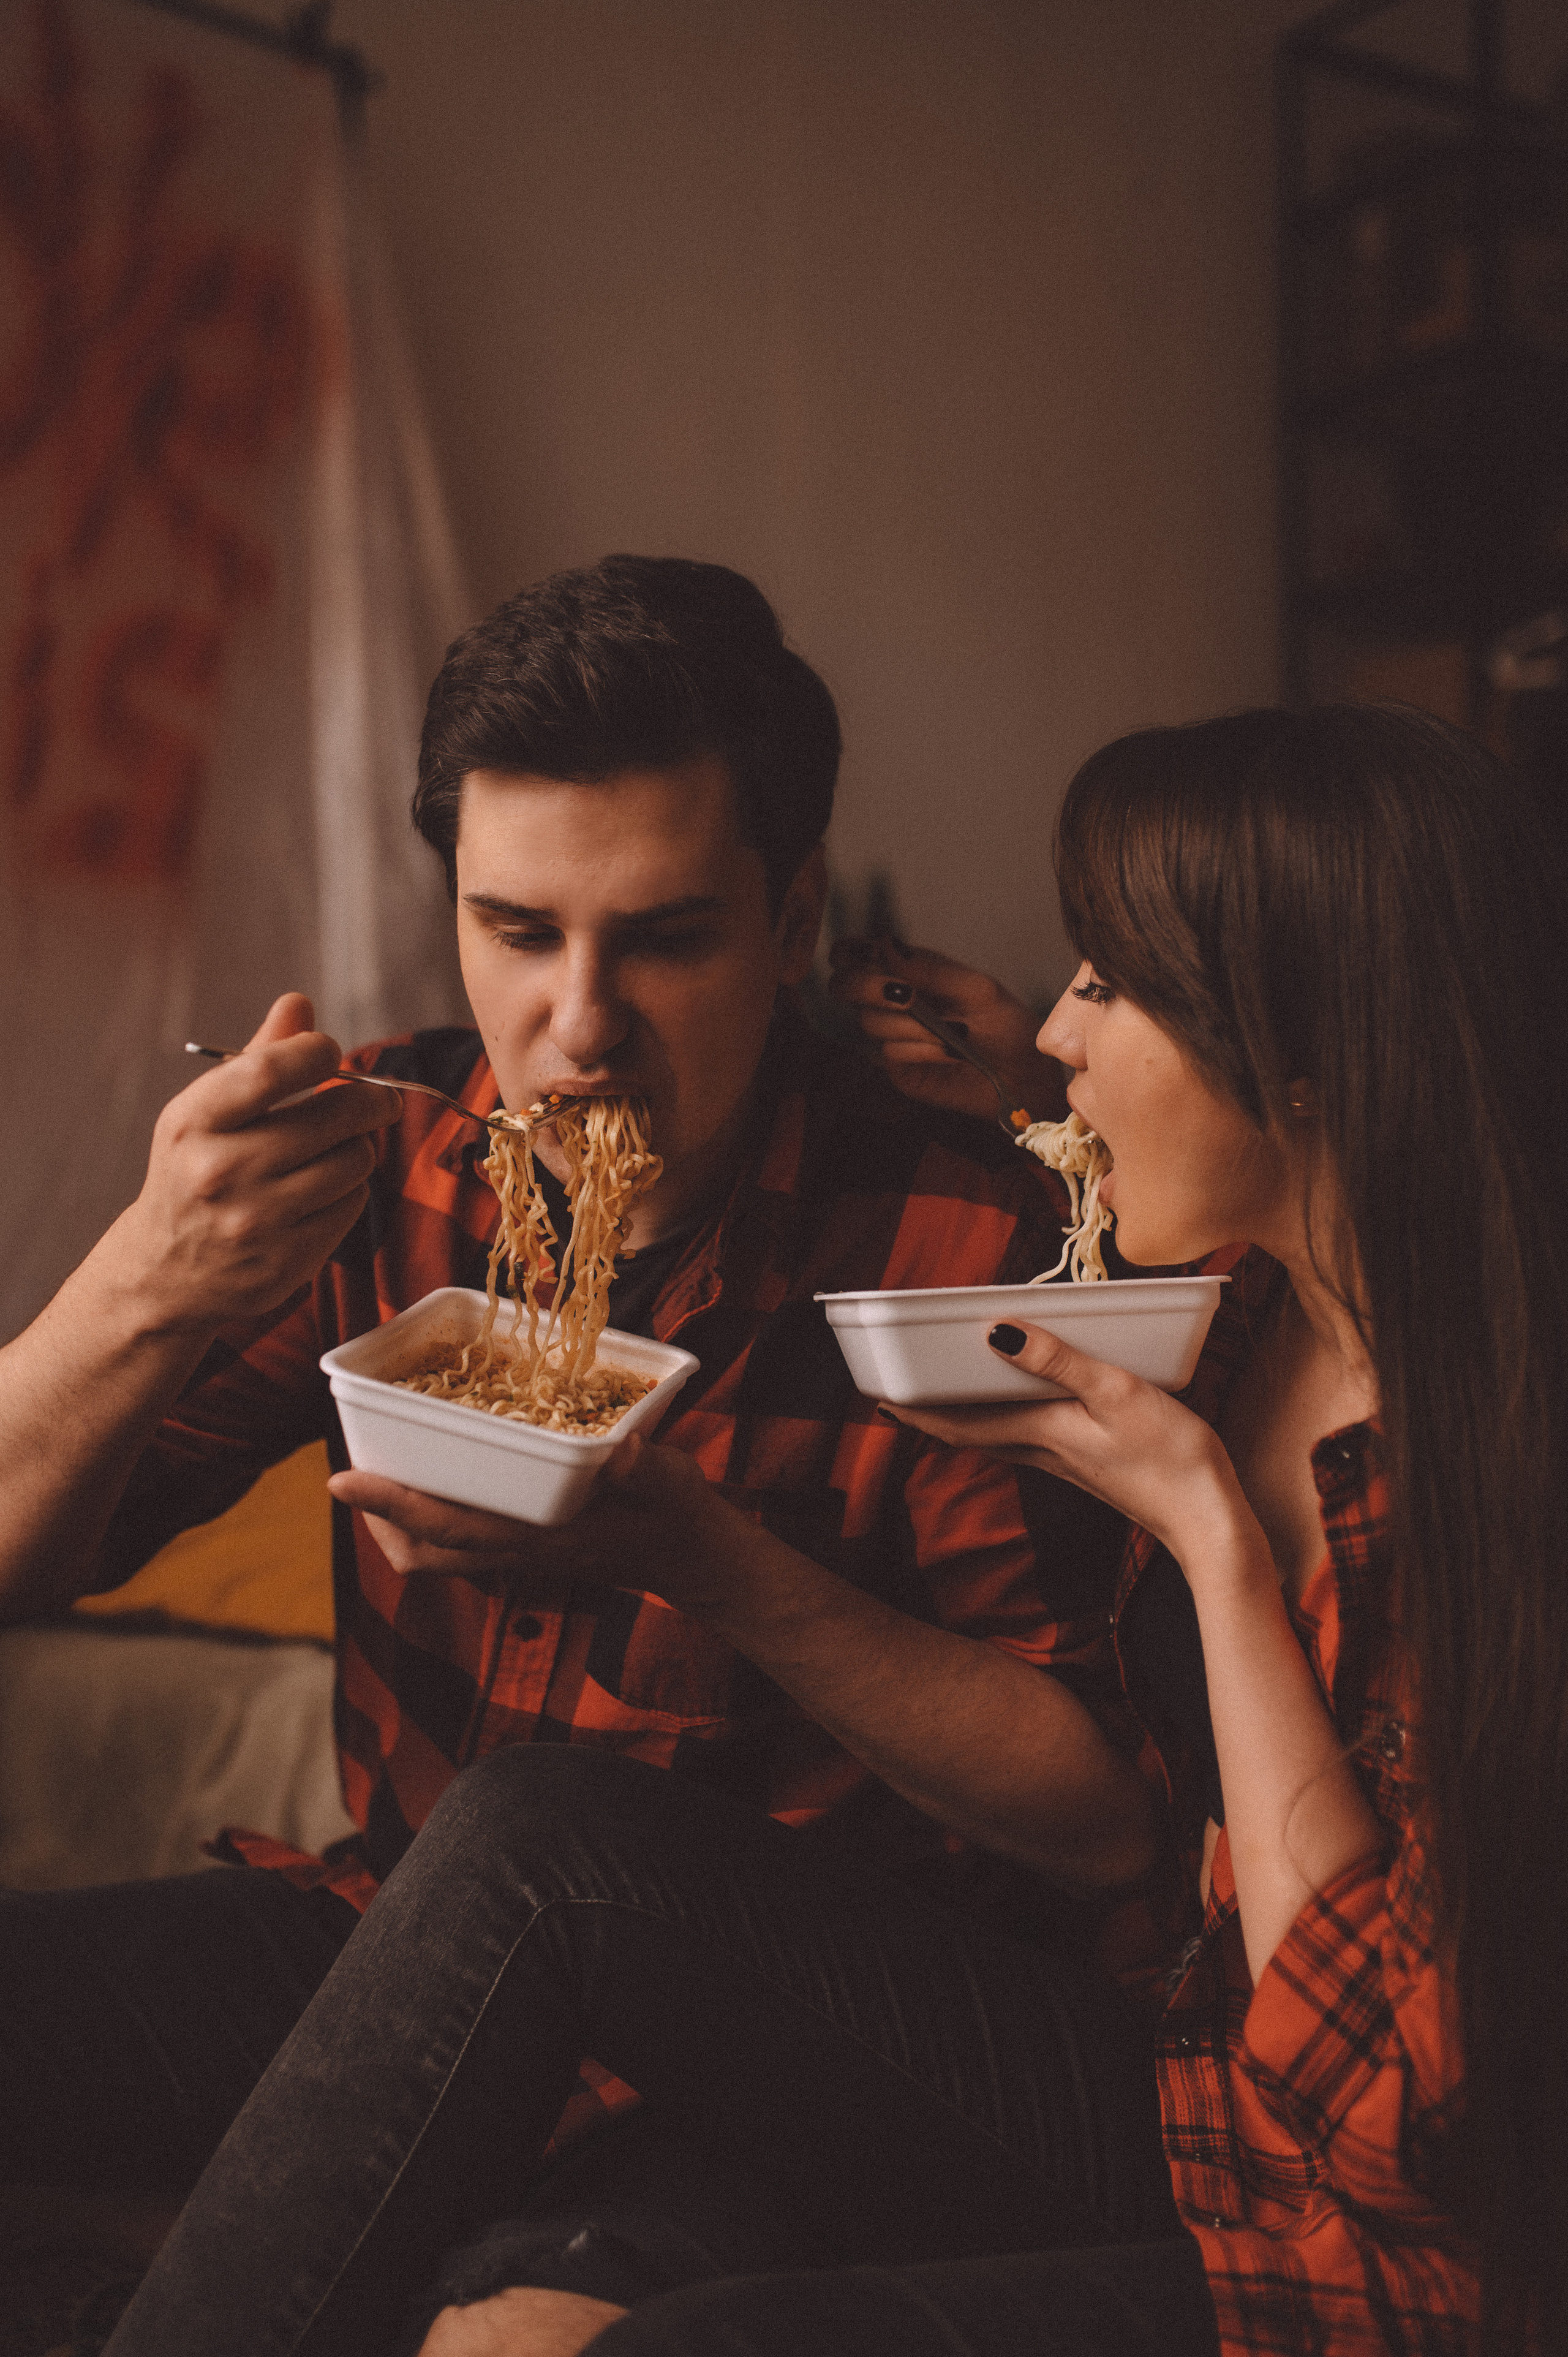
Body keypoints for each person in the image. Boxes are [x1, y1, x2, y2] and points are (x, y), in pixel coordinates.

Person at [97, 700, 1568, 2357]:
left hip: (1336, 2206)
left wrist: (1210, 1540)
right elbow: (1217, 1155)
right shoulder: (1233, 1304)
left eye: (1111, 983)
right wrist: (146, 1273)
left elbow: (1370, 2130)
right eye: (515, 929)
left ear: (1303, 1054)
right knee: (528, 1836)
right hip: (1160, 2071)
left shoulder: (1469, 1469)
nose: (1058, 1029)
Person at [0, 558, 1123, 2266]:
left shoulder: (958, 1233)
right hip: (391, 1945)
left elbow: (1099, 1818)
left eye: (666, 939)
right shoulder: (376, 1165)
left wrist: (715, 1563)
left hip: (761, 2055)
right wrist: (142, 1282)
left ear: (793, 923)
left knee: (525, 2331)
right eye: (518, 933)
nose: (580, 1028)